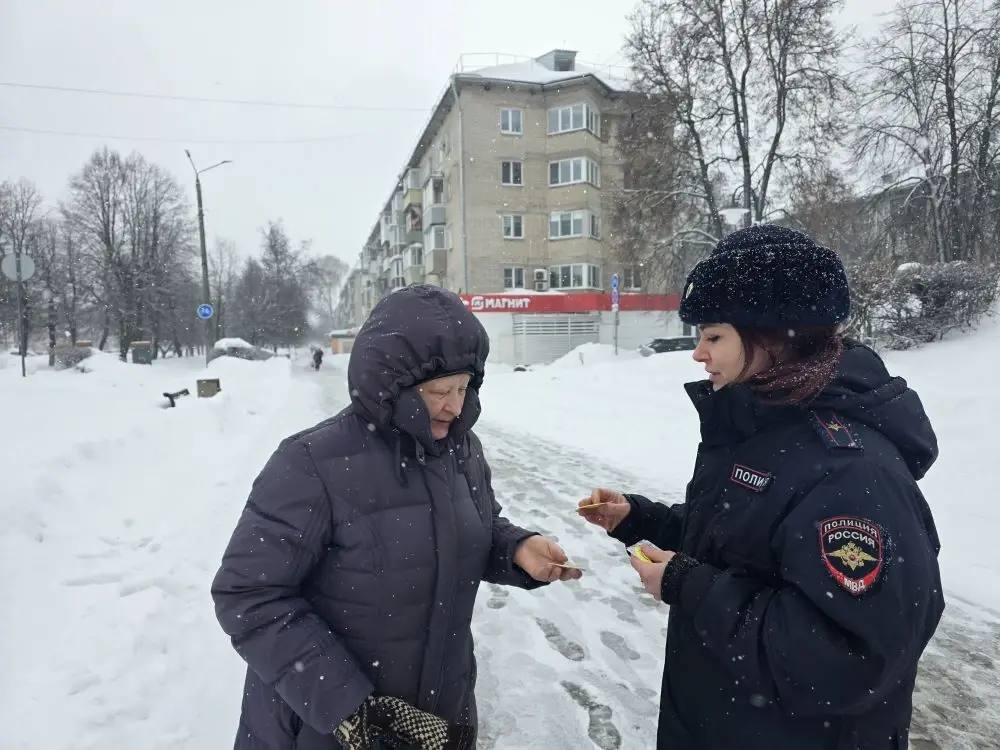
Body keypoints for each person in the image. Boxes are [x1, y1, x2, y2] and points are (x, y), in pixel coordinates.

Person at [578, 225, 944, 749]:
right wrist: (639, 519)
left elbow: (847, 656)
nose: (698, 354)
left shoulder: (849, 468)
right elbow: (744, 539)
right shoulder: (766, 431)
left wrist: (688, 585)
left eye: (714, 336)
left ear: (773, 337)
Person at [212, 284, 580, 750]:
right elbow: (248, 594)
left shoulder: (462, 449)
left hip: (439, 718)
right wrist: (350, 709)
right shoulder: (311, 462)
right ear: (391, 386)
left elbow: (474, 529)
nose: (455, 405)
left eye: (465, 387)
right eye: (439, 391)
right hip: (322, 727)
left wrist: (516, 548)